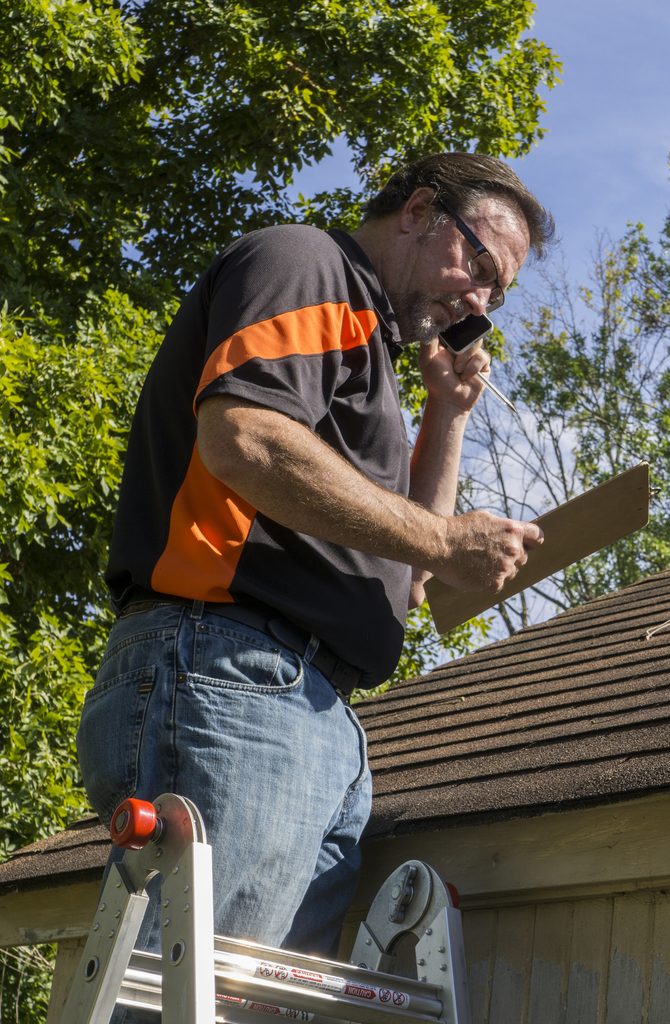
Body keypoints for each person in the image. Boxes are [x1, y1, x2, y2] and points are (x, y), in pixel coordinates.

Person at [76, 153, 553, 962]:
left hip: (309, 710)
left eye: (495, 295)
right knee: (196, 998)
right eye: (478, 264)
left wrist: (448, 416)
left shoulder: (374, 354)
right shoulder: (306, 263)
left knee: (244, 1004)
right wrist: (444, 537)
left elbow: (409, 585)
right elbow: (244, 440)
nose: (478, 300)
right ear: (420, 210)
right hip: (233, 673)